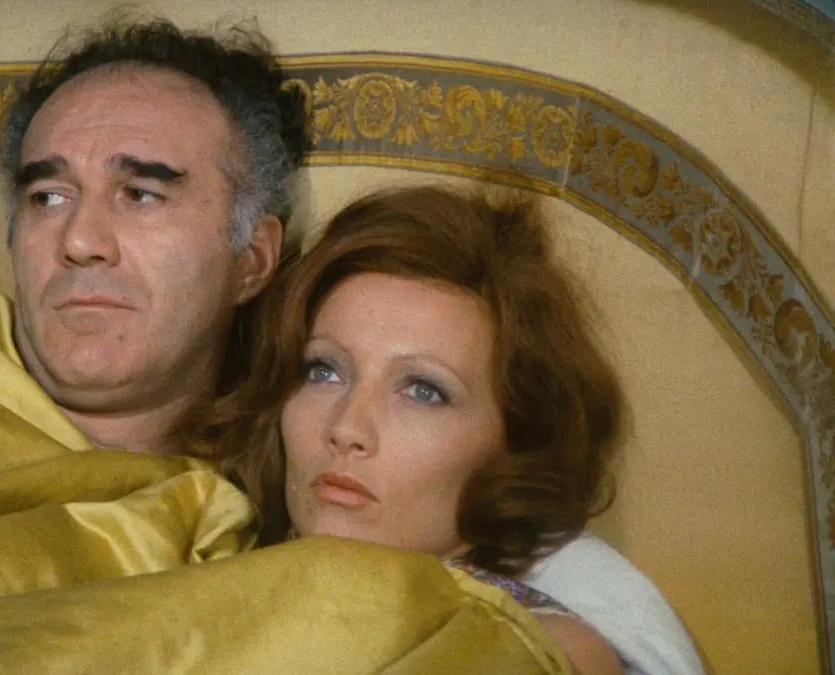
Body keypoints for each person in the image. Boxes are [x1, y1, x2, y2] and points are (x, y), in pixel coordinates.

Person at [0, 14, 703, 675]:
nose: (80, 239)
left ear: (253, 258)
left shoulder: (273, 513)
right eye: (47, 194)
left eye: (142, 193)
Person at [191, 184, 698, 675]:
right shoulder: (198, 553)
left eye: (423, 391)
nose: (347, 428)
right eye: (323, 371)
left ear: (514, 441)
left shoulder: (534, 645)